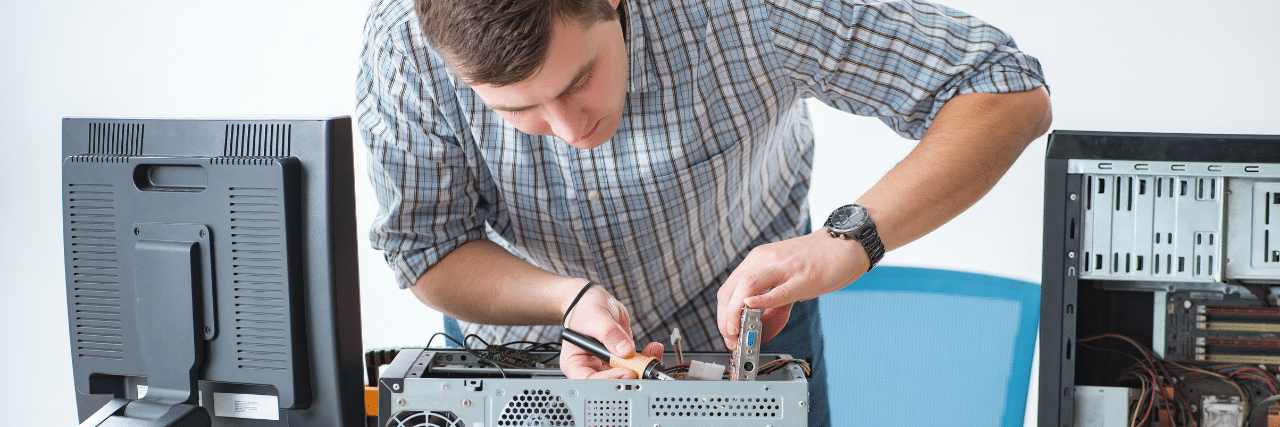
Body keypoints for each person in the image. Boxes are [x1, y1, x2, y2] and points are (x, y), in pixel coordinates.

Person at [356, 0, 1050, 425]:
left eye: (578, 81)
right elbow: (427, 248)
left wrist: (848, 239)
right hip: (525, 364)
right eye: (517, 110)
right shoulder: (404, 44)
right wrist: (566, 302)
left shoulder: (746, 8)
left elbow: (1004, 88)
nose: (567, 128)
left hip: (745, 345)